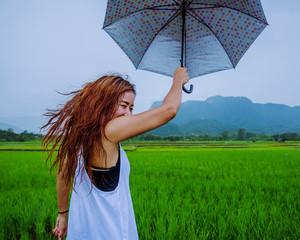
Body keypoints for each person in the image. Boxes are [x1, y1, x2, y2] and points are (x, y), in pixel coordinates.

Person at [42, 67, 189, 239]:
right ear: (102, 103)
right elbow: (169, 110)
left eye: (131, 108)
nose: (128, 113)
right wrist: (178, 81)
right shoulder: (109, 132)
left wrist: (62, 214)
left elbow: (63, 174)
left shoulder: (82, 138)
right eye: (123, 106)